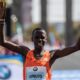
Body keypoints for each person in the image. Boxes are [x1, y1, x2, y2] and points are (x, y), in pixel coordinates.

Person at [0, 2, 80, 80]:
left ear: (46, 39)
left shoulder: (51, 55)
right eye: (37, 37)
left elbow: (77, 47)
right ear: (32, 39)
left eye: (42, 37)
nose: (39, 40)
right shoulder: (25, 52)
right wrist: (1, 20)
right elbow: (2, 42)